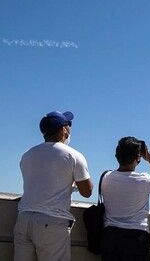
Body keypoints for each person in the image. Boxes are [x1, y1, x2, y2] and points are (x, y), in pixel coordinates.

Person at [14, 110, 94, 261]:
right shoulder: (73, 155)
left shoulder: (27, 154)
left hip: (23, 219)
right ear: (63, 130)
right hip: (52, 222)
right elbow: (87, 191)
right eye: (68, 124)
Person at [101, 136, 150, 261]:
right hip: (136, 236)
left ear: (117, 156)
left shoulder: (106, 177)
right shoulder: (144, 180)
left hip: (110, 235)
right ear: (138, 158)